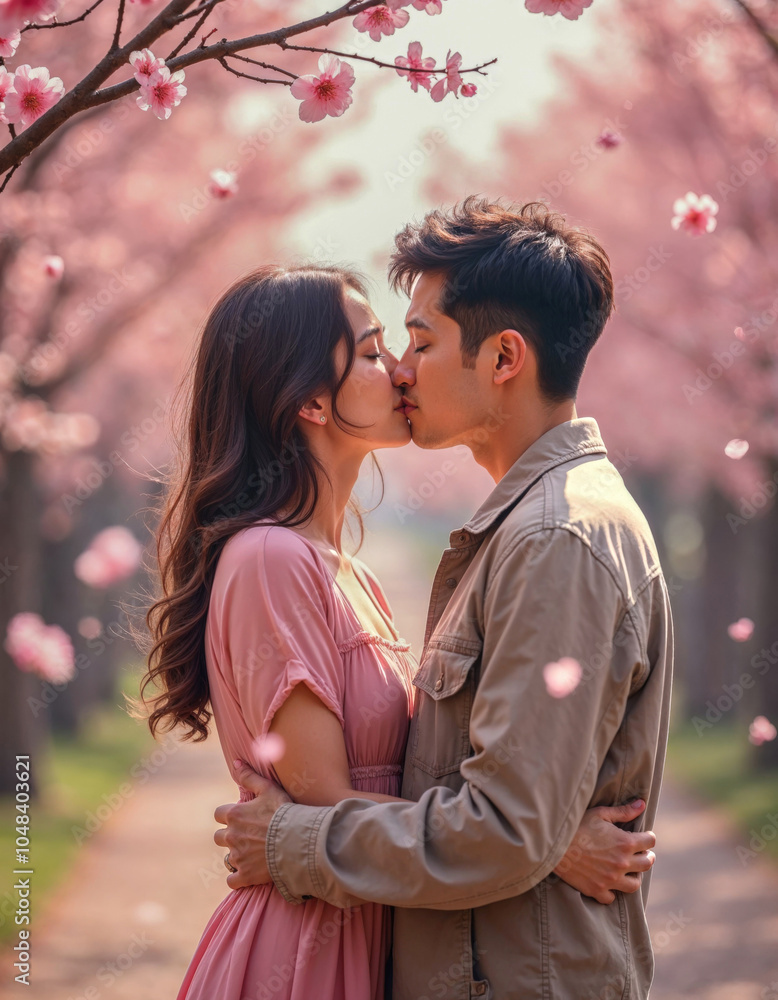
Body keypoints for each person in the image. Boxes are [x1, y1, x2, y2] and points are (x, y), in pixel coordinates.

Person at [137, 255, 655, 1000]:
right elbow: (323, 809)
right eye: (377, 352)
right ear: (312, 401)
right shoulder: (271, 560)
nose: (403, 372)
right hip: (308, 949)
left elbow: (416, 781)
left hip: (369, 927)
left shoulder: (350, 572)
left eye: (407, 348)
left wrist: (523, 838)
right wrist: (547, 847)